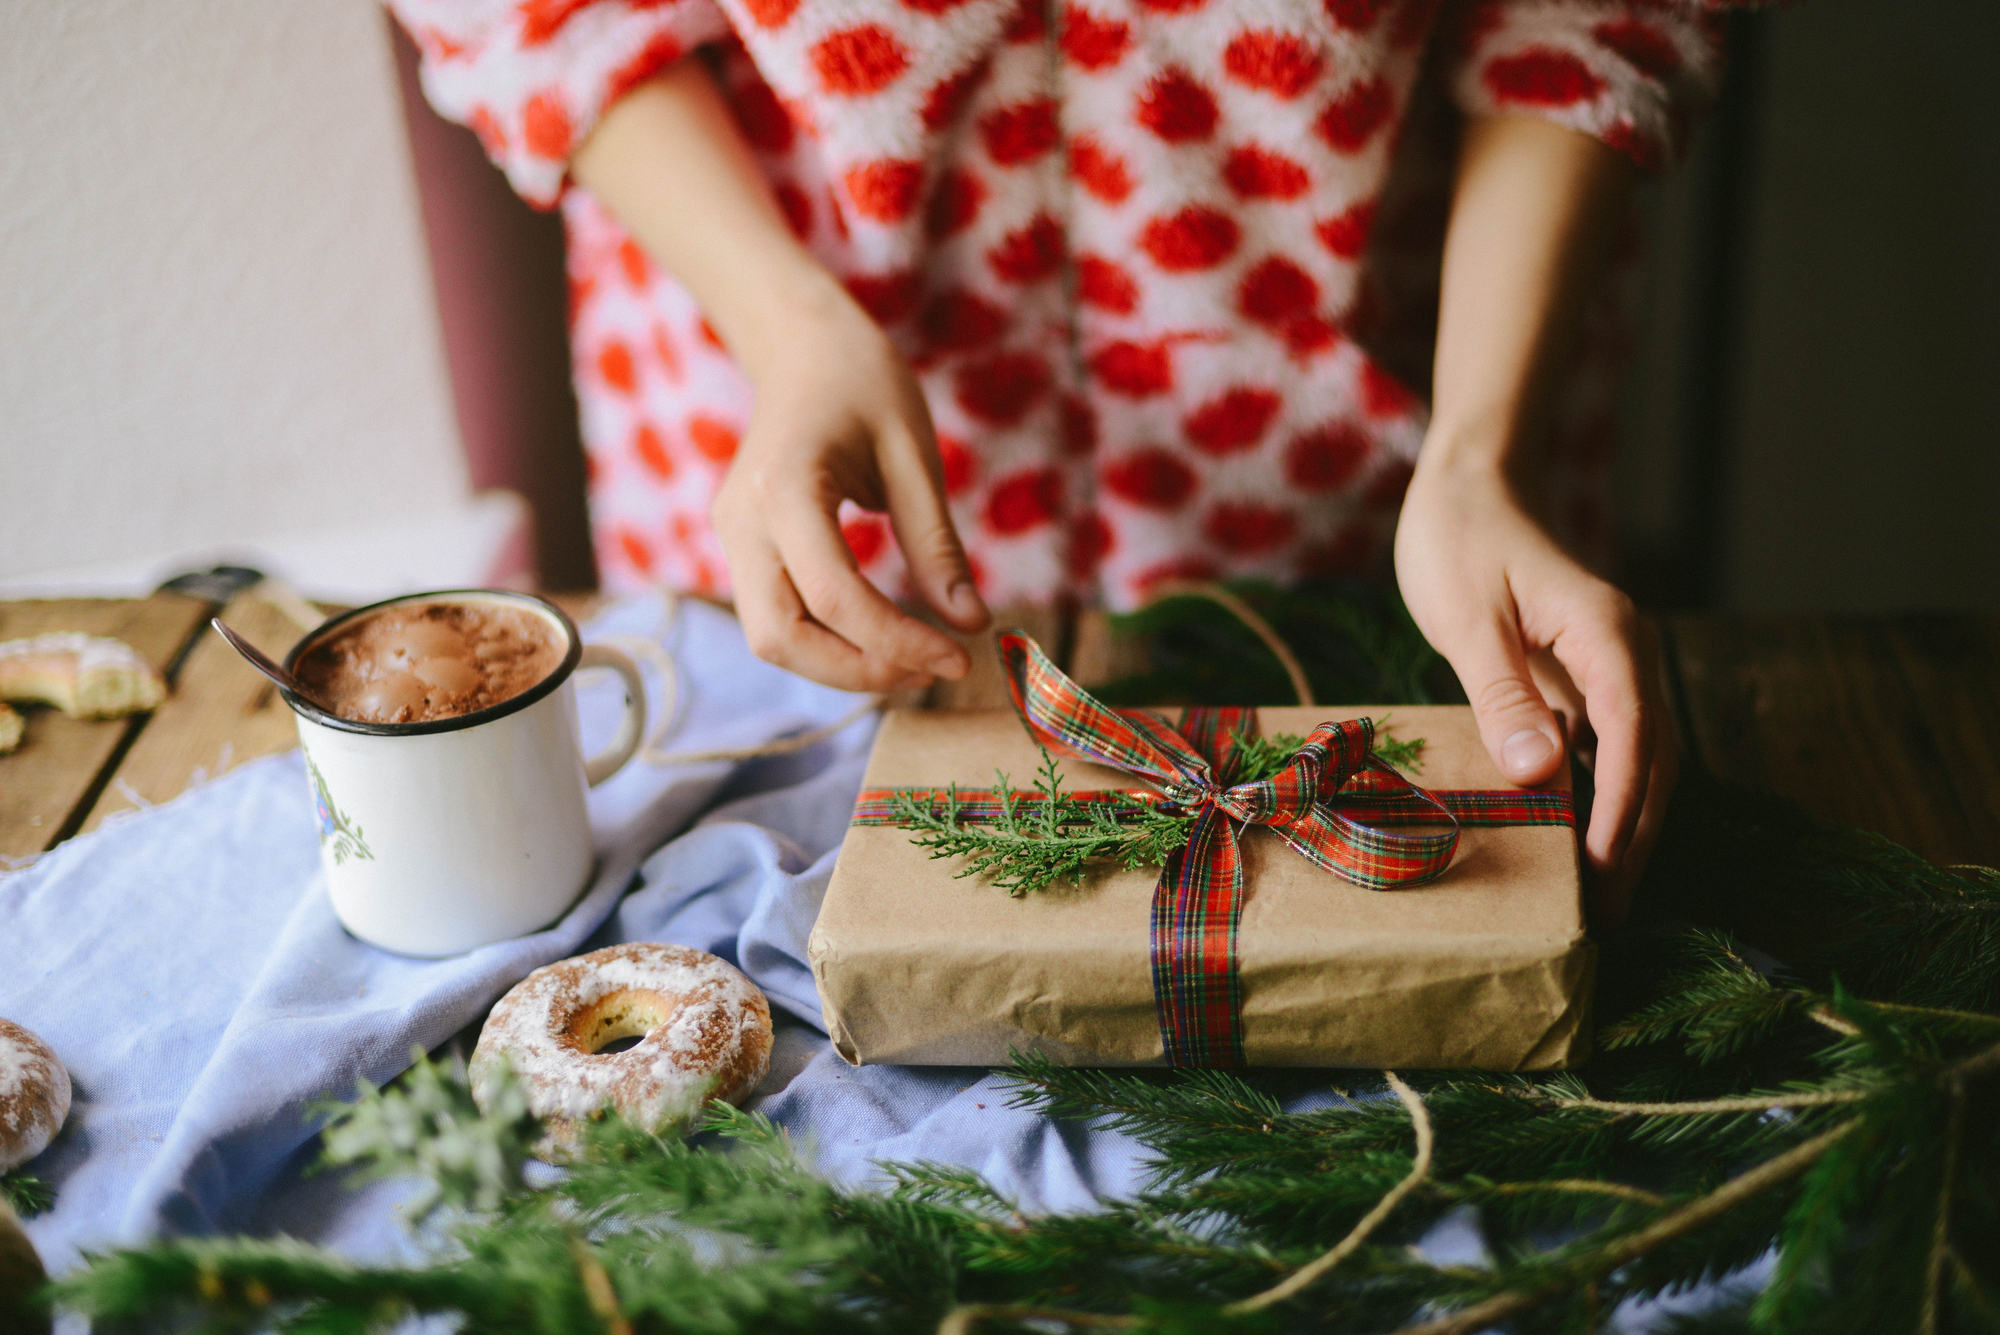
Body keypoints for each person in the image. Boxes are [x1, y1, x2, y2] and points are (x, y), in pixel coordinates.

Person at [391, 0, 1720, 918]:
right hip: (775, 435)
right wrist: (790, 334)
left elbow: (1584, 14)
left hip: (1395, 460)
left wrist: (1478, 450)